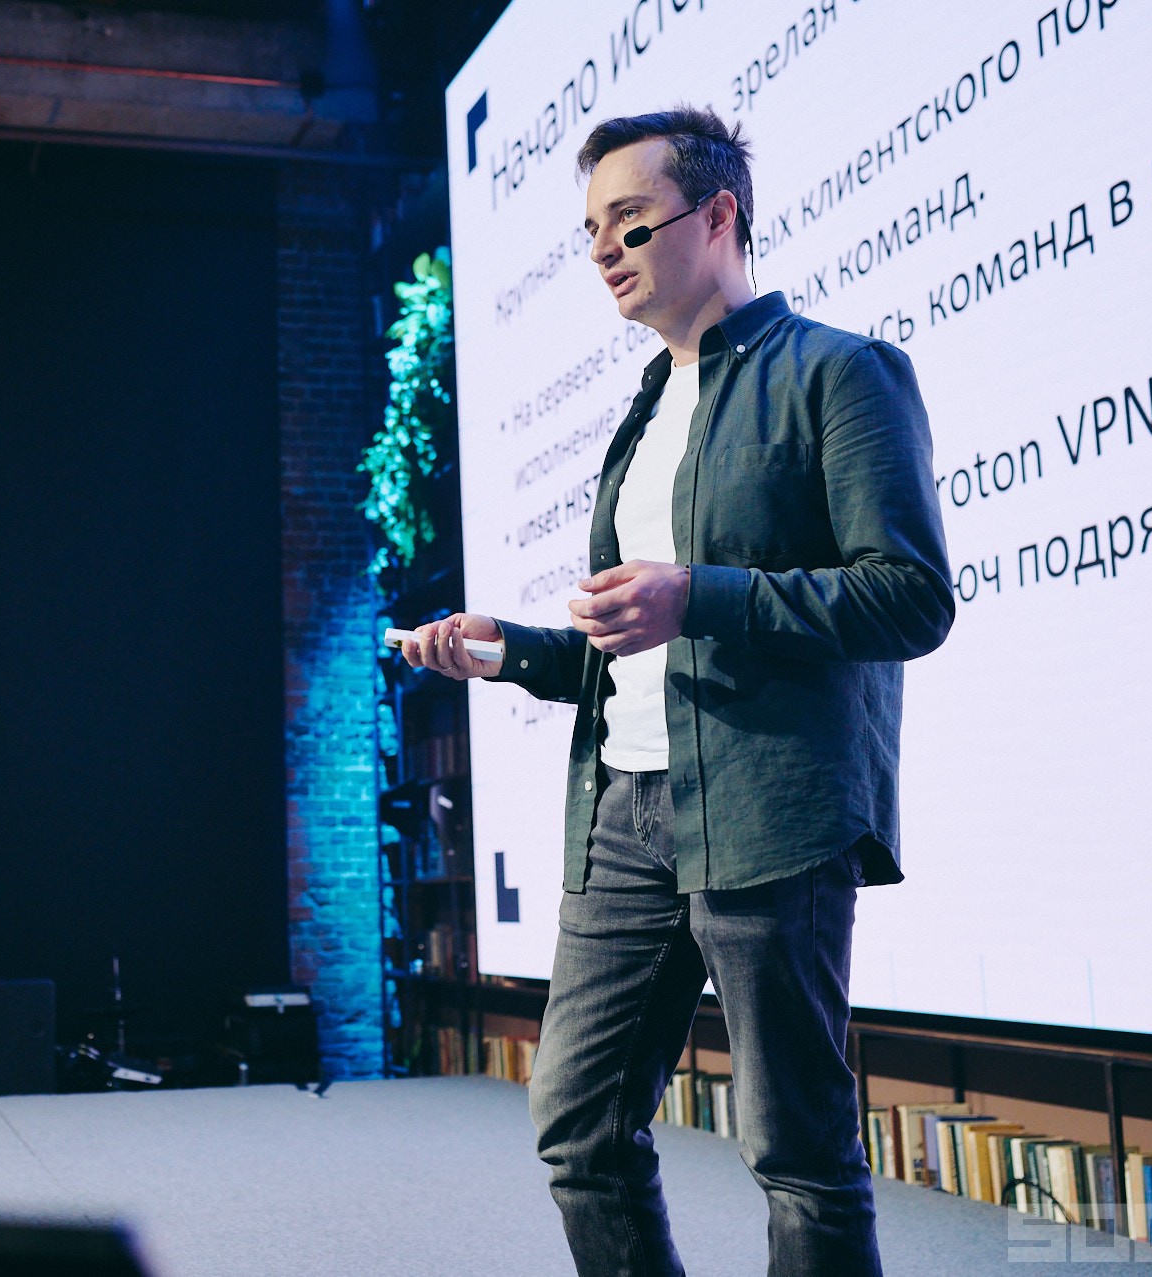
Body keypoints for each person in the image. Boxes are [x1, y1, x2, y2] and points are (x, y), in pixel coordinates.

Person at [400, 104, 954, 1277]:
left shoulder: (839, 372)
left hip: (770, 808)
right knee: (578, 1120)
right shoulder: (646, 409)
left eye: (630, 220)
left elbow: (909, 597)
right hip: (623, 811)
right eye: (591, 231)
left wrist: (699, 593)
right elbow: (631, 642)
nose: (605, 249)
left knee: (796, 1148)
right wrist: (511, 649)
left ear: (718, 215)